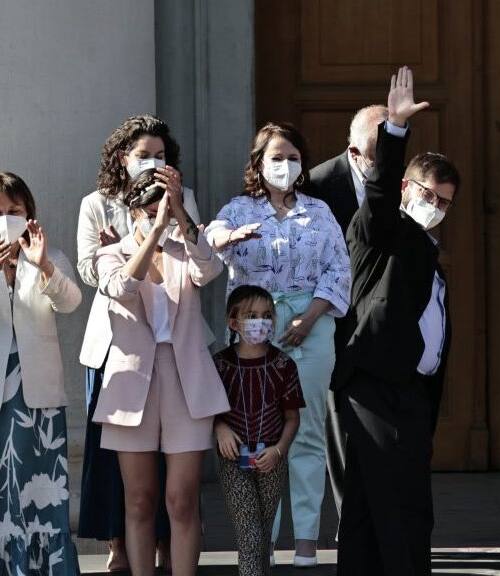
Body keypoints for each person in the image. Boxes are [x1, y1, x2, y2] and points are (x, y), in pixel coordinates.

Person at [206, 122, 350, 567]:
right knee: (256, 429)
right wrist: (226, 238)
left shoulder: (319, 212)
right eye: (275, 157)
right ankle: (260, 540)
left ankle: (306, 539)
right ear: (258, 163)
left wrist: (309, 318)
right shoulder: (237, 209)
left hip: (311, 324)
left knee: (304, 432)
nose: (284, 165)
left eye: (291, 157)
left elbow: (339, 270)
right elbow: (209, 241)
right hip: (255, 325)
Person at [333, 66, 456, 575]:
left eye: (444, 202)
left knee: (371, 507)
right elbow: (380, 200)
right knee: (400, 510)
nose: (434, 207)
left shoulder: (429, 251)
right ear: (406, 187)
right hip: (374, 389)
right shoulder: (377, 228)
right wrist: (397, 131)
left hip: (410, 393)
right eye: (427, 195)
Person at [77, 114, 200, 571]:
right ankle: (120, 550)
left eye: (160, 154)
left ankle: (171, 552)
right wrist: (129, 248)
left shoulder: (182, 198)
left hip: (178, 347)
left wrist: (175, 218)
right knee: (128, 481)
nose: (152, 161)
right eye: (143, 154)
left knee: (179, 487)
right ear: (121, 158)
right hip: (119, 346)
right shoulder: (96, 203)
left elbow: (199, 260)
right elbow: (95, 272)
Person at [92, 169, 229, 576]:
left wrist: (182, 221)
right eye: (151, 211)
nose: (160, 218)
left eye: (165, 211)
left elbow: (210, 271)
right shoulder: (112, 252)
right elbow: (121, 288)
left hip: (185, 377)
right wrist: (151, 236)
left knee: (182, 497)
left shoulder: (186, 246)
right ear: (133, 211)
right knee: (138, 499)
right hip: (132, 383)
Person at [308, 103, 388, 525]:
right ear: (354, 150)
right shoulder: (319, 184)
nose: (382, 159)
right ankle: (349, 525)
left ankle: (377, 523)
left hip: (384, 323)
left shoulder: (402, 181)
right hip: (334, 320)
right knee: (338, 427)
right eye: (375, 150)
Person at [0, 172, 82, 574]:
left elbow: (70, 302)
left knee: (39, 490)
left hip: (38, 393)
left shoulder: (50, 258)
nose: (5, 219)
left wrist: (42, 264)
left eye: (13, 211)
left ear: (29, 215)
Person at [213, 285, 305, 575]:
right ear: (233, 322)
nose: (260, 321)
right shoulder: (220, 365)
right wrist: (220, 427)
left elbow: (292, 418)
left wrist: (279, 450)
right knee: (249, 530)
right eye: (251, 315)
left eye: (266, 315)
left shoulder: (283, 365)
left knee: (262, 534)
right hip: (233, 461)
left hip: (271, 461)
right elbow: (207, 409)